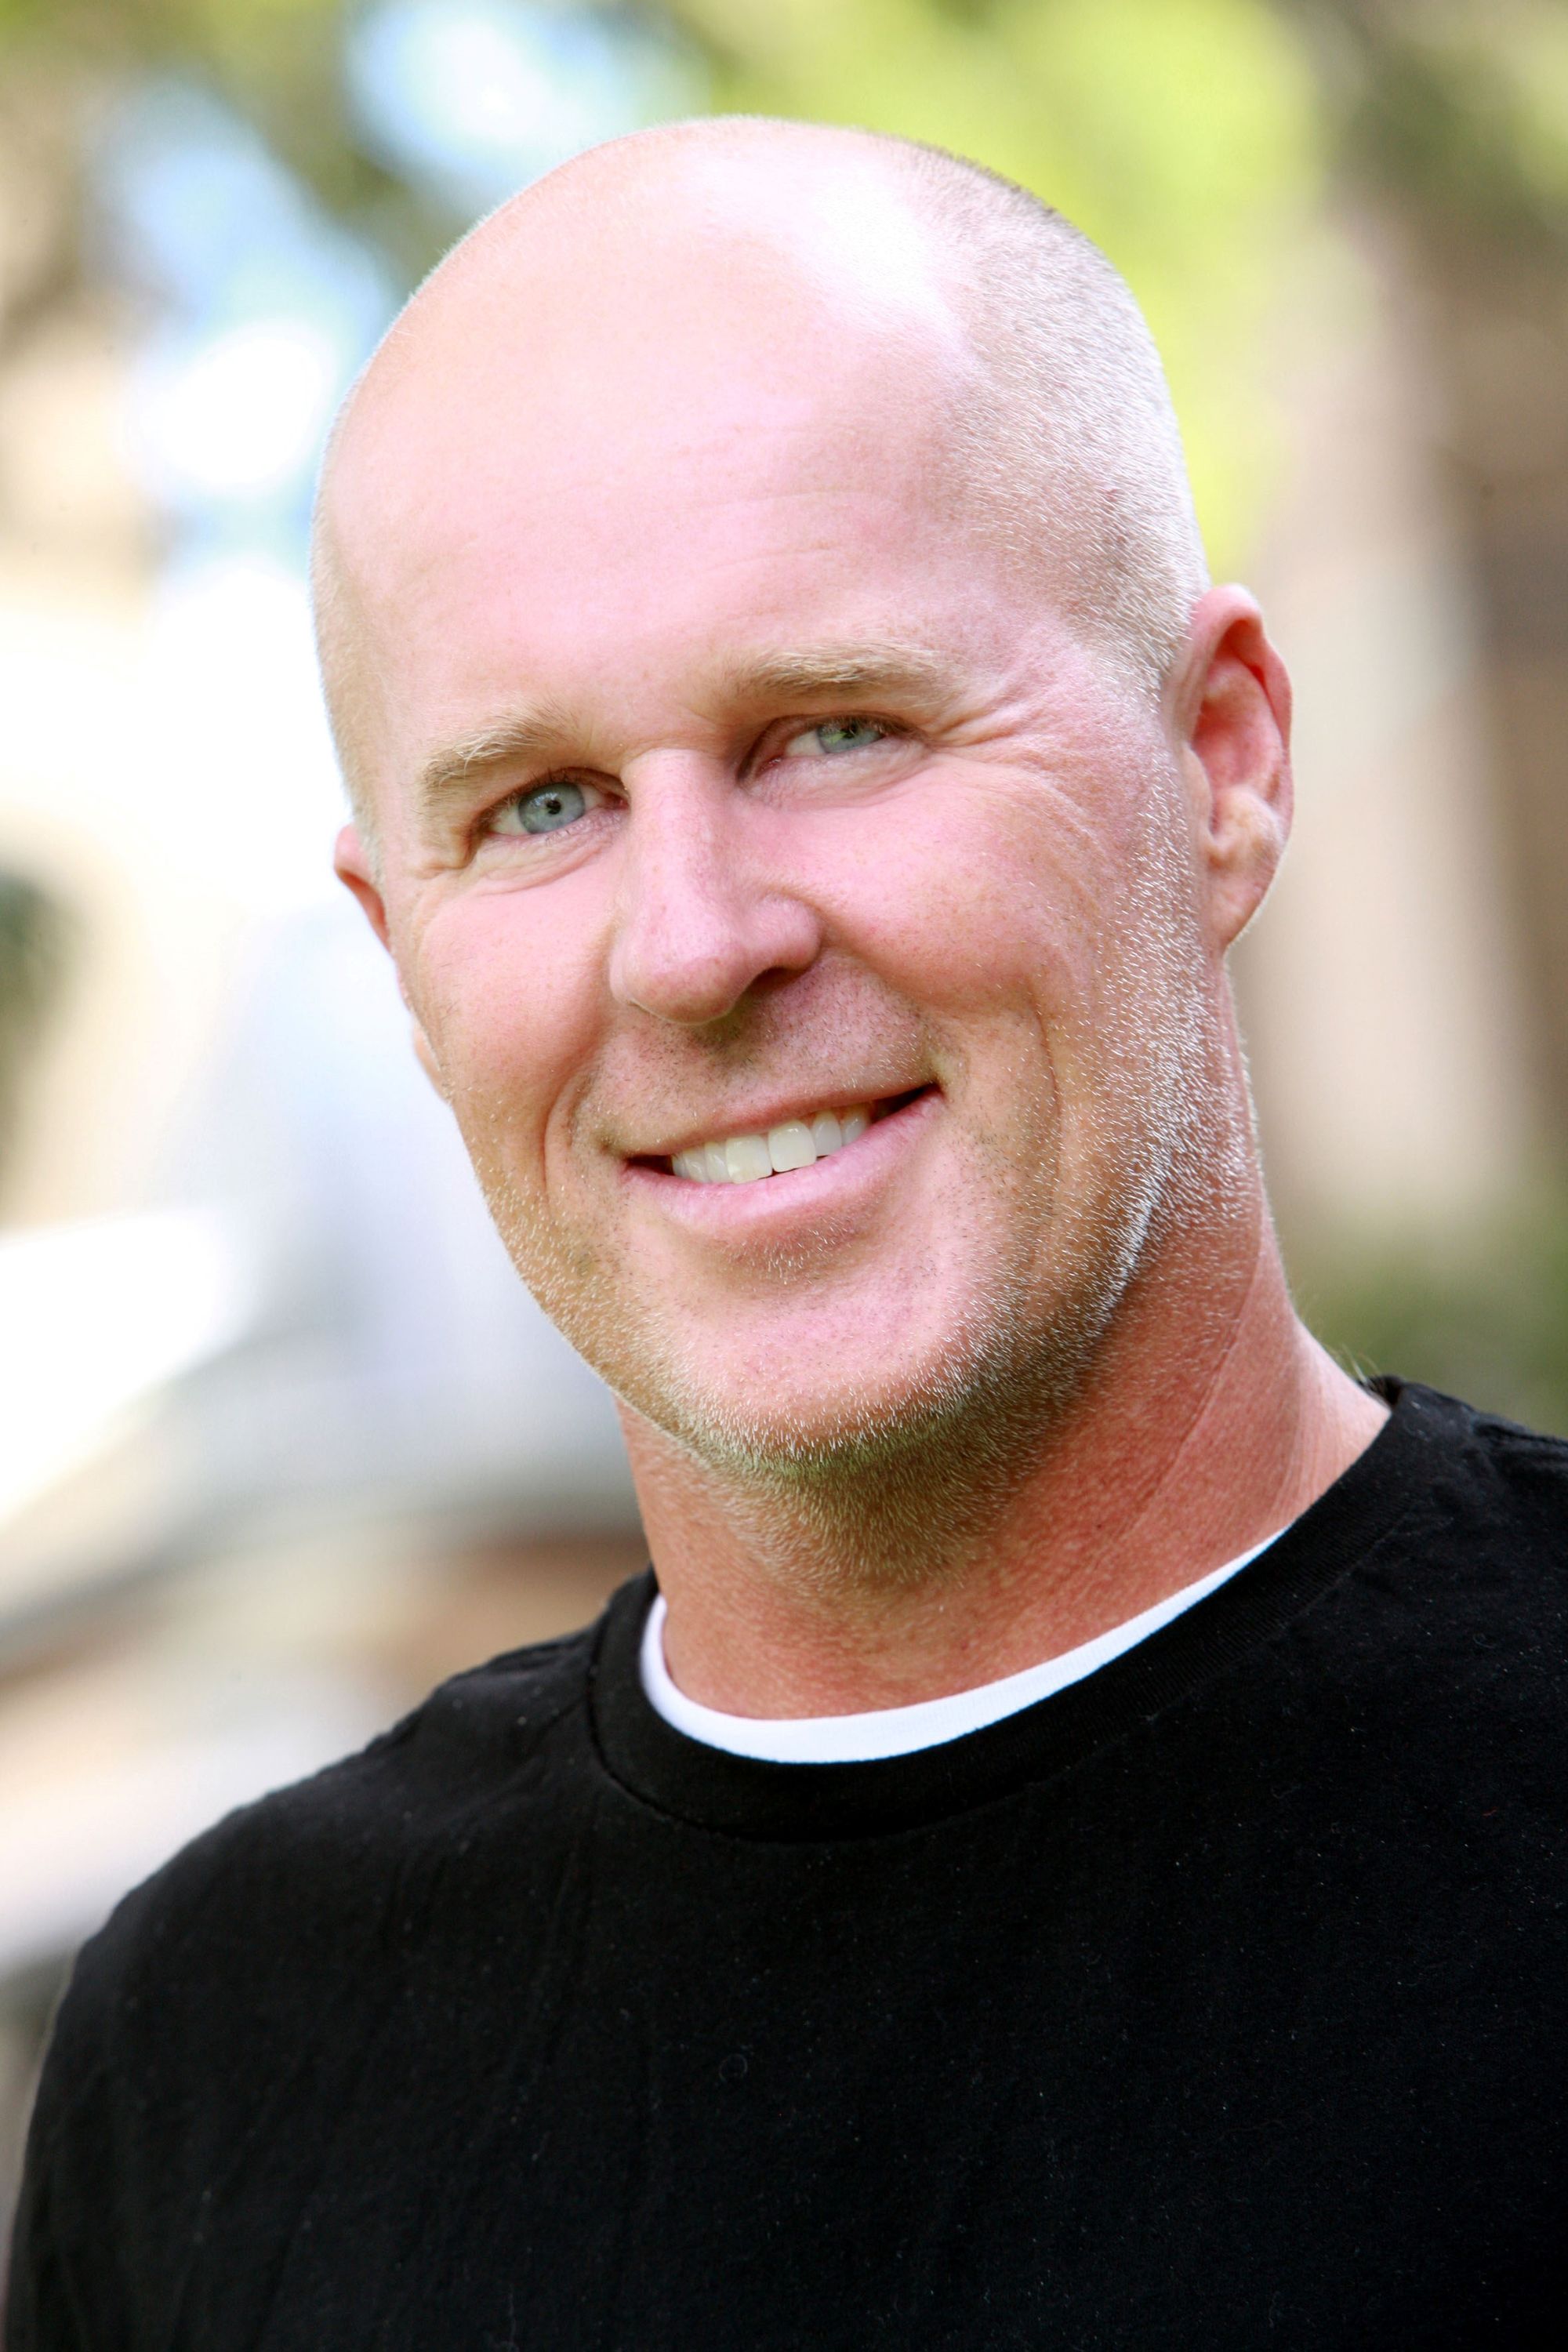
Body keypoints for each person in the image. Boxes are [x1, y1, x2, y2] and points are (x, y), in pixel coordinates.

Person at [8, 119, 1564, 2349]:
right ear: (402, 953)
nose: (691, 945)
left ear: (1219, 762)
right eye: (537, 806)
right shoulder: (218, 2062)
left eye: (835, 729)